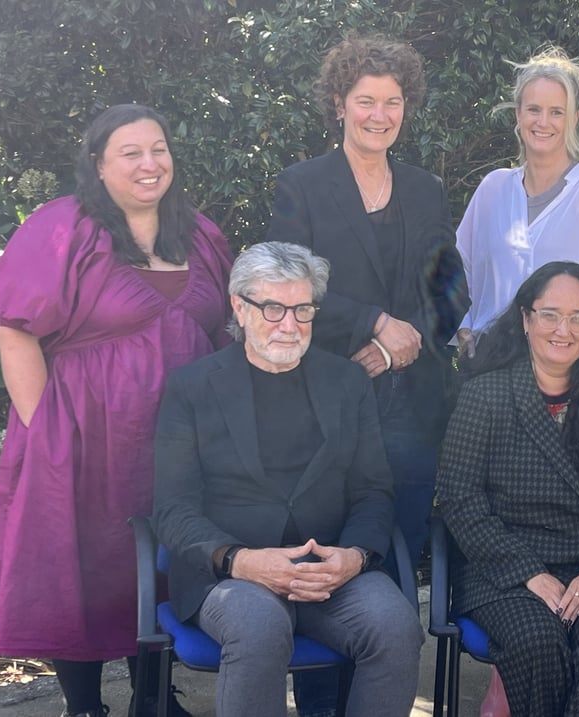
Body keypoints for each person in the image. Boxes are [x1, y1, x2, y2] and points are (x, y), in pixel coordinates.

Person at [0, 104, 232, 717]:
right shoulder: (61, 228)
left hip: (177, 442)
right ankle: (85, 705)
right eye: (131, 153)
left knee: (165, 564)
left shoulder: (199, 233)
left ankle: (154, 697)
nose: (150, 163)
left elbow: (225, 329)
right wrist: (46, 433)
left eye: (159, 149)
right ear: (98, 163)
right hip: (83, 437)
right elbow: (14, 332)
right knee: (79, 565)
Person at [152, 241, 423, 717]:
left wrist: (355, 557)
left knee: (395, 625)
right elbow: (172, 509)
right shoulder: (192, 388)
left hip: (329, 569)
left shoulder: (347, 382)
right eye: (273, 308)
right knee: (258, 627)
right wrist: (240, 561)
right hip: (232, 575)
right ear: (239, 305)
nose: (290, 325)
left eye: (302, 309)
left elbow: (373, 490)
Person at [267, 35, 467, 570]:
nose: (380, 115)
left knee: (399, 541)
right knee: (327, 539)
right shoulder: (302, 185)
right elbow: (285, 289)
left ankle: (394, 645)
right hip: (328, 391)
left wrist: (405, 343)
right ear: (339, 104)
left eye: (393, 101)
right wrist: (375, 323)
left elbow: (453, 293)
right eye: (366, 100)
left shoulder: (425, 189)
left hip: (413, 398)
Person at [437, 262, 579, 716]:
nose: (564, 330)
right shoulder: (486, 394)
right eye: (550, 315)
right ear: (525, 319)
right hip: (505, 571)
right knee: (537, 641)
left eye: (578, 318)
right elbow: (459, 496)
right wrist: (525, 571)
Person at [455, 46, 579, 349]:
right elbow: (458, 269)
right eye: (534, 109)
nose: (543, 122)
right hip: (490, 376)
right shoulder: (493, 189)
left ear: (574, 119)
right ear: (518, 113)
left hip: (569, 377)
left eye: (556, 112)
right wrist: (463, 330)